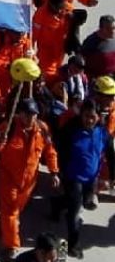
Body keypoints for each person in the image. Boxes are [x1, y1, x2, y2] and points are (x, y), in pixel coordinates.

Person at [0, 98, 59, 260]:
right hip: (8, 177)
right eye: (27, 114)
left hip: (30, 180)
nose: (31, 118)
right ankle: (11, 245)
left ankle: (3, 225)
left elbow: (50, 151)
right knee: (11, 211)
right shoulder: (7, 127)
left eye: (34, 114)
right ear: (20, 114)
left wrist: (53, 172)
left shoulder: (43, 129)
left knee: (17, 209)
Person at [53, 98, 108, 258]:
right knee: (75, 212)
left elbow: (110, 153)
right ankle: (72, 245)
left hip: (91, 177)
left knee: (83, 201)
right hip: (72, 176)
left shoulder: (102, 132)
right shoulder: (70, 131)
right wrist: (59, 172)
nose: (89, 120)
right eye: (86, 116)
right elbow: (59, 151)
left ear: (98, 116)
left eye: (93, 117)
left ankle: (56, 204)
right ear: (80, 115)